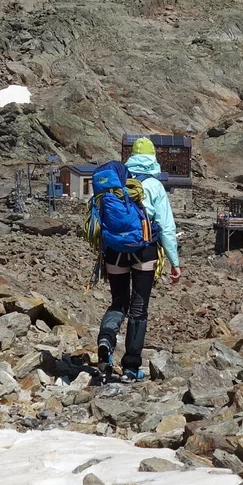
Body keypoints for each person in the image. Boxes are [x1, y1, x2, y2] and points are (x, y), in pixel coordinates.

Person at [97, 138, 181, 381]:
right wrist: (174, 263)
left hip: (114, 250)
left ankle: (106, 340)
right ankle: (132, 367)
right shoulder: (154, 185)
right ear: (153, 157)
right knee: (138, 307)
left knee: (118, 302)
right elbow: (166, 227)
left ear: (131, 157)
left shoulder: (116, 181)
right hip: (144, 250)